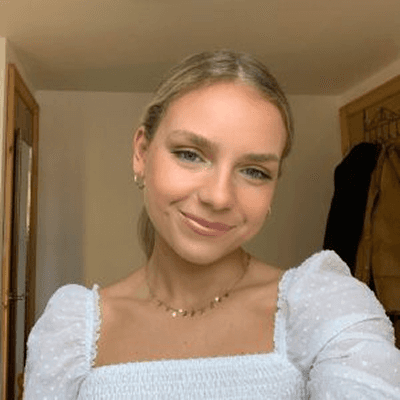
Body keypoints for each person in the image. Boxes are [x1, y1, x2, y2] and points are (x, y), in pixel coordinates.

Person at [24, 50, 400, 399]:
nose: (219, 197)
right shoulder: (71, 331)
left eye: (254, 171)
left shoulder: (324, 308)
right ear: (141, 152)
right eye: (190, 154)